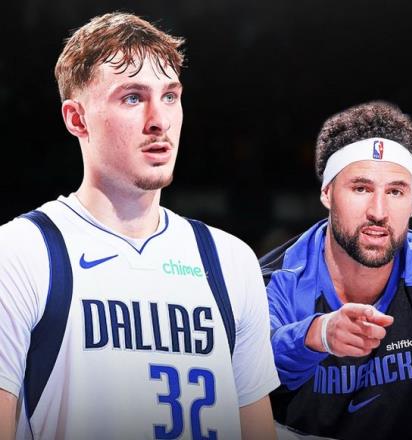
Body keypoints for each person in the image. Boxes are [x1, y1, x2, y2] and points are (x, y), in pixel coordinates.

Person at [0, 12, 279, 440]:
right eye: (133, 97)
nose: (159, 120)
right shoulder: (22, 253)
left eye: (170, 96)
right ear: (77, 119)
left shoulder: (230, 262)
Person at [260, 101, 412, 440]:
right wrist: (316, 335)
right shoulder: (274, 282)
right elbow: (246, 383)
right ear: (327, 192)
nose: (379, 211)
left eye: (396, 191)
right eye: (361, 188)